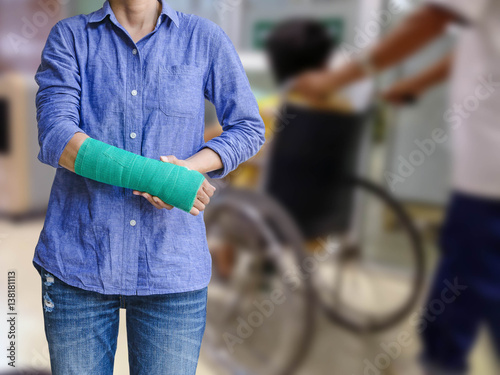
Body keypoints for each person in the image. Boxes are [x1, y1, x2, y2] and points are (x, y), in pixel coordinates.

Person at [32, 0, 265, 374]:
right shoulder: (71, 37)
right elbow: (58, 137)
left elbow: (248, 127)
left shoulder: (203, 38)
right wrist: (158, 179)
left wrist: (185, 172)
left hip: (171, 268)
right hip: (79, 262)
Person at [294, 1, 500, 374]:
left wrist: (333, 81)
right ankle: (443, 358)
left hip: (490, 173)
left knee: (476, 275)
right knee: (467, 271)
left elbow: (430, 19)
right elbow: (476, 45)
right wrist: (413, 83)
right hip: (485, 174)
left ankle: (443, 361)